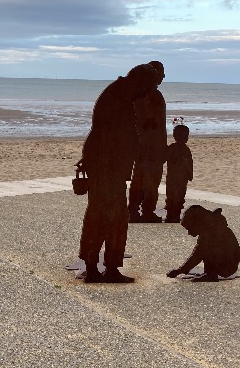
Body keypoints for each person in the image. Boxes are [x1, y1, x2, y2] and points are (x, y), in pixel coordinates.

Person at [76, 64, 160, 283]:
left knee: (104, 216)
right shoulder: (118, 97)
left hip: (109, 169)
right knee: (110, 217)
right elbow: (104, 134)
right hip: (108, 170)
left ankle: (99, 266)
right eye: (148, 87)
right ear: (141, 82)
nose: (147, 94)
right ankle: (104, 268)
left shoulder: (120, 94)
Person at [128, 60, 168, 223]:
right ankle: (143, 210)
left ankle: (137, 209)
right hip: (149, 146)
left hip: (147, 145)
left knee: (142, 178)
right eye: (161, 74)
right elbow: (152, 124)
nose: (163, 77)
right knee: (148, 179)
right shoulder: (149, 95)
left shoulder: (143, 95)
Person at [166, 206, 240, 281]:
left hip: (227, 268)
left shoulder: (211, 234)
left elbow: (197, 256)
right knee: (206, 249)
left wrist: (179, 271)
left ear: (197, 224)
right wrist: (182, 270)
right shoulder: (214, 227)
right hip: (228, 264)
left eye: (190, 229)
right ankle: (210, 272)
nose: (189, 233)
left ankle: (211, 274)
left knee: (206, 249)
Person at [163, 123, 193, 223]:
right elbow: (189, 163)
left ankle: (172, 215)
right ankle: (173, 215)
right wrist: (190, 174)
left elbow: (164, 158)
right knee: (177, 196)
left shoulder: (173, 148)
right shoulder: (184, 149)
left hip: (174, 177)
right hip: (178, 177)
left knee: (173, 196)